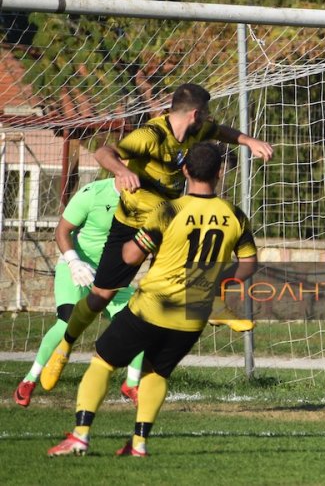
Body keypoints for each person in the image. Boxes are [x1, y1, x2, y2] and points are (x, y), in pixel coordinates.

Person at [40, 83, 272, 391]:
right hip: (131, 224)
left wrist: (248, 140)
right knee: (100, 298)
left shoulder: (196, 131)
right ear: (195, 113)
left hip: (166, 222)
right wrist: (121, 170)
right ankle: (66, 345)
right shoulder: (151, 135)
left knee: (199, 250)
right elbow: (103, 151)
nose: (208, 120)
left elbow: (223, 132)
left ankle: (211, 303)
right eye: (206, 115)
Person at [48, 142, 258, 457]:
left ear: (185, 170)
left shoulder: (169, 209)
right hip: (193, 314)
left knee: (102, 361)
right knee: (156, 372)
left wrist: (124, 245)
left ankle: (80, 436)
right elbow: (249, 263)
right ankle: (139, 444)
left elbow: (132, 254)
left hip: (152, 307)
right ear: (219, 172)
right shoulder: (235, 215)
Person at [13, 177, 144, 408]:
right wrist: (74, 262)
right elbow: (62, 230)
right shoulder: (93, 193)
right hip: (76, 267)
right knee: (66, 323)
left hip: (111, 275)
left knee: (140, 322)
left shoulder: (148, 198)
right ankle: (29, 380)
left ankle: (131, 384)